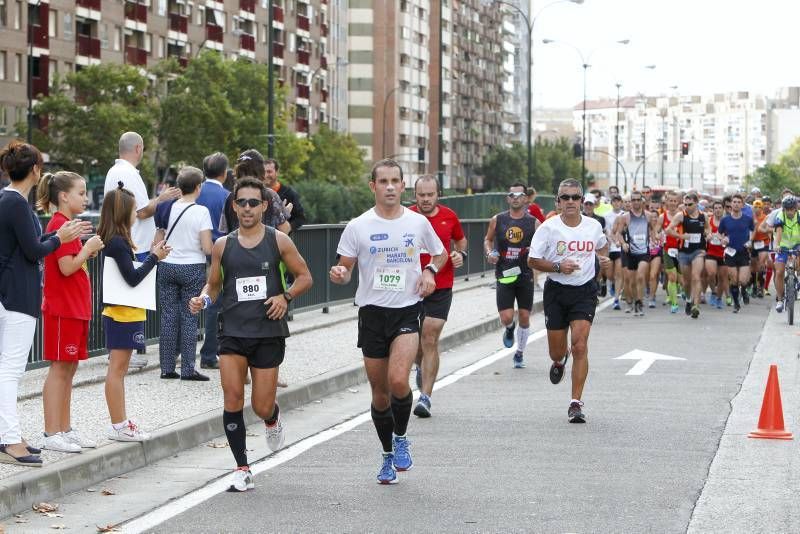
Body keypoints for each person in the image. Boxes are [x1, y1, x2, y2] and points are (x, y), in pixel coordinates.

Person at [189, 177, 312, 492]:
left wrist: (285, 297)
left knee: (260, 405)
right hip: (232, 330)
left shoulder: (278, 241)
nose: (247, 208)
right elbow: (214, 284)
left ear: (264, 206)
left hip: (267, 332)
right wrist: (203, 298)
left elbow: (304, 277)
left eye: (253, 203)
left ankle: (271, 419)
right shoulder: (222, 245)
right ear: (234, 206)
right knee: (232, 396)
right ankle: (242, 467)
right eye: (241, 202)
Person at [330, 159, 446, 485]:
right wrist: (340, 273)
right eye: (384, 181)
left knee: (398, 381)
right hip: (372, 313)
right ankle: (386, 455)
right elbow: (345, 266)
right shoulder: (358, 226)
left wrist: (429, 271)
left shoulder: (417, 223)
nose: (391, 186)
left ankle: (401, 437)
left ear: (403, 186)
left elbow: (439, 253)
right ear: (373, 186)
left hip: (406, 310)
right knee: (380, 393)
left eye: (396, 180)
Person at [0, 141, 89, 467]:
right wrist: (60, 239)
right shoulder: (16, 204)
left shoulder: (7, 200)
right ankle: (10, 440)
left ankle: (9, 436)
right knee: (10, 371)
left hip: (9, 295)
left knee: (7, 370)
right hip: (17, 297)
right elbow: (34, 250)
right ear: (36, 169)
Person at [529, 178, 609, 424]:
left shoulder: (593, 226)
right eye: (566, 198)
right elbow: (532, 260)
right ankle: (558, 360)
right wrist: (557, 266)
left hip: (584, 292)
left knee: (580, 345)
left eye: (576, 197)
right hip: (556, 291)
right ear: (558, 201)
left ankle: (576, 402)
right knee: (557, 350)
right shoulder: (548, 228)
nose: (572, 202)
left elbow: (603, 247)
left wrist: (600, 262)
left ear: (582, 200)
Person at [38, 172, 105, 453]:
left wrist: (85, 251)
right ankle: (52, 431)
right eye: (80, 192)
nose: (85, 198)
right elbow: (66, 267)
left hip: (75, 307)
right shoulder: (59, 224)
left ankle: (65, 428)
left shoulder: (68, 225)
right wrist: (87, 249)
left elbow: (71, 263)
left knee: (70, 367)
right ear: (64, 196)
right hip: (63, 308)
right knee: (60, 367)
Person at [99, 184, 171, 441]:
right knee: (117, 370)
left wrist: (152, 255)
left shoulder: (116, 241)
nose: (136, 214)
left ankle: (121, 422)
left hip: (124, 312)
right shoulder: (118, 242)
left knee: (119, 369)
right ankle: (118, 425)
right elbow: (132, 278)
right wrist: (154, 258)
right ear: (123, 213)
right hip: (122, 314)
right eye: (133, 210)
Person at [104, 132, 180, 369]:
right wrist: (163, 198)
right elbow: (141, 211)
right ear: (138, 148)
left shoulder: (115, 172)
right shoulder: (128, 173)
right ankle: (127, 348)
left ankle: (125, 348)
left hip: (130, 241)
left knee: (125, 298)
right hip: (134, 244)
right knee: (132, 298)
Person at [408, 175, 467, 418]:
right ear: (415, 195)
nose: (425, 199)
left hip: (441, 286)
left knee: (430, 337)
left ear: (437, 194)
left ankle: (425, 397)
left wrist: (460, 255)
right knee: (416, 344)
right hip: (411, 289)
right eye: (421, 195)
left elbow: (461, 242)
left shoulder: (449, 216)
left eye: (430, 194)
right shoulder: (406, 217)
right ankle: (421, 365)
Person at [154, 167, 213, 381]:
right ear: (198, 187)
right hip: (192, 267)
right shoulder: (201, 212)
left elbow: (157, 241)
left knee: (168, 316)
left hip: (167, 265)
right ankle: (188, 369)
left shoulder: (165, 208)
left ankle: (167, 368)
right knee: (189, 317)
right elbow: (207, 247)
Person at [484, 182, 539, 368]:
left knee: (524, 315)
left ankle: (519, 353)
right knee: (507, 317)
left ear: (525, 198)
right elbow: (488, 240)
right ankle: (509, 329)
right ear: (508, 198)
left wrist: (535, 250)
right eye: (512, 195)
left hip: (525, 274)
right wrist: (490, 253)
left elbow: (543, 245)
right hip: (504, 274)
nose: (515, 198)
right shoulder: (497, 220)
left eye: (519, 195)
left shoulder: (533, 222)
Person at [196, 152, 231, 370]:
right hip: (220, 254)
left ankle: (179, 352)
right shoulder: (227, 196)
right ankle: (210, 352)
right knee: (215, 304)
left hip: (192, 255)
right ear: (224, 173)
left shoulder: (196, 192)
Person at [219, 150, 290, 235]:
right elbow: (284, 230)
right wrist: (285, 212)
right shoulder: (269, 195)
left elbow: (224, 230)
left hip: (236, 247)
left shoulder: (230, 197)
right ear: (260, 170)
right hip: (265, 247)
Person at [666, 192, 709, 318]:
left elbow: (707, 229)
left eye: (689, 204)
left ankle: (696, 305)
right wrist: (680, 236)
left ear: (696, 203)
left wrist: (708, 234)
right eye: (685, 204)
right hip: (684, 252)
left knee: (696, 277)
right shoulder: (681, 216)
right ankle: (689, 300)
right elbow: (668, 230)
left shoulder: (703, 216)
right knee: (686, 281)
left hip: (698, 251)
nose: (687, 207)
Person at [612, 191, 652, 316]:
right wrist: (623, 243)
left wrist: (655, 237)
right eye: (633, 200)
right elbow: (617, 233)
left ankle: (639, 303)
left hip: (644, 251)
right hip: (629, 252)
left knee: (640, 277)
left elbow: (653, 230)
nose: (635, 202)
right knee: (630, 281)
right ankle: (631, 301)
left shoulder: (649, 216)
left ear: (642, 201)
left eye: (637, 200)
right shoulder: (625, 217)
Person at [718, 193, 754, 313]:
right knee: (734, 280)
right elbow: (719, 233)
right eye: (734, 202)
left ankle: (743, 290)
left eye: (739, 202)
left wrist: (750, 241)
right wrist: (722, 239)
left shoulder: (747, 219)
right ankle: (736, 304)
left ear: (742, 205)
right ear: (731, 204)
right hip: (730, 252)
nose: (736, 204)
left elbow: (753, 231)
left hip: (743, 252)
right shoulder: (725, 220)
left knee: (743, 280)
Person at [765, 196, 800, 312]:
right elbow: (778, 234)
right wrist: (777, 246)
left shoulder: (799, 216)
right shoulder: (780, 216)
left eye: (792, 209)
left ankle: (797, 281)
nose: (790, 212)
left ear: (796, 208)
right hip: (783, 246)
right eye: (787, 209)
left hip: (797, 244)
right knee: (779, 272)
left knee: (798, 264)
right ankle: (780, 299)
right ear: (784, 209)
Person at [264, 158, 306, 232]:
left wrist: (287, 228)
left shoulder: (289, 194)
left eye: (269, 172)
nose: (266, 175)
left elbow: (300, 218)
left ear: (277, 172)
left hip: (280, 240)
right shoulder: (256, 193)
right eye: (263, 172)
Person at [603, 195, 624, 309]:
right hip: (610, 248)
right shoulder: (607, 216)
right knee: (609, 274)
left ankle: (616, 299)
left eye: (618, 201)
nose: (616, 204)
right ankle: (611, 284)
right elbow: (607, 232)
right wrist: (612, 241)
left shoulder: (624, 215)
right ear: (611, 203)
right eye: (614, 202)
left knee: (618, 274)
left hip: (620, 248)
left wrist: (621, 242)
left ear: (621, 203)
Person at [705, 200, 726, 309]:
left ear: (723, 209)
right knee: (711, 273)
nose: (717, 210)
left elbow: (731, 235)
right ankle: (713, 292)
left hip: (723, 252)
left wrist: (723, 238)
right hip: (711, 251)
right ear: (713, 210)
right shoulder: (709, 221)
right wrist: (707, 237)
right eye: (715, 208)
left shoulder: (727, 221)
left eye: (719, 208)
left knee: (722, 277)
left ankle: (719, 298)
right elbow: (705, 233)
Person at [749, 199, 769, 298]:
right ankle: (754, 286)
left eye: (759, 207)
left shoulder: (766, 217)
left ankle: (761, 287)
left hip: (764, 243)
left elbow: (770, 229)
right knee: (753, 267)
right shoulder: (750, 217)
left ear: (762, 208)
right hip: (753, 243)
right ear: (752, 208)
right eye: (755, 207)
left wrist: (765, 230)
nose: (757, 209)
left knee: (761, 264)